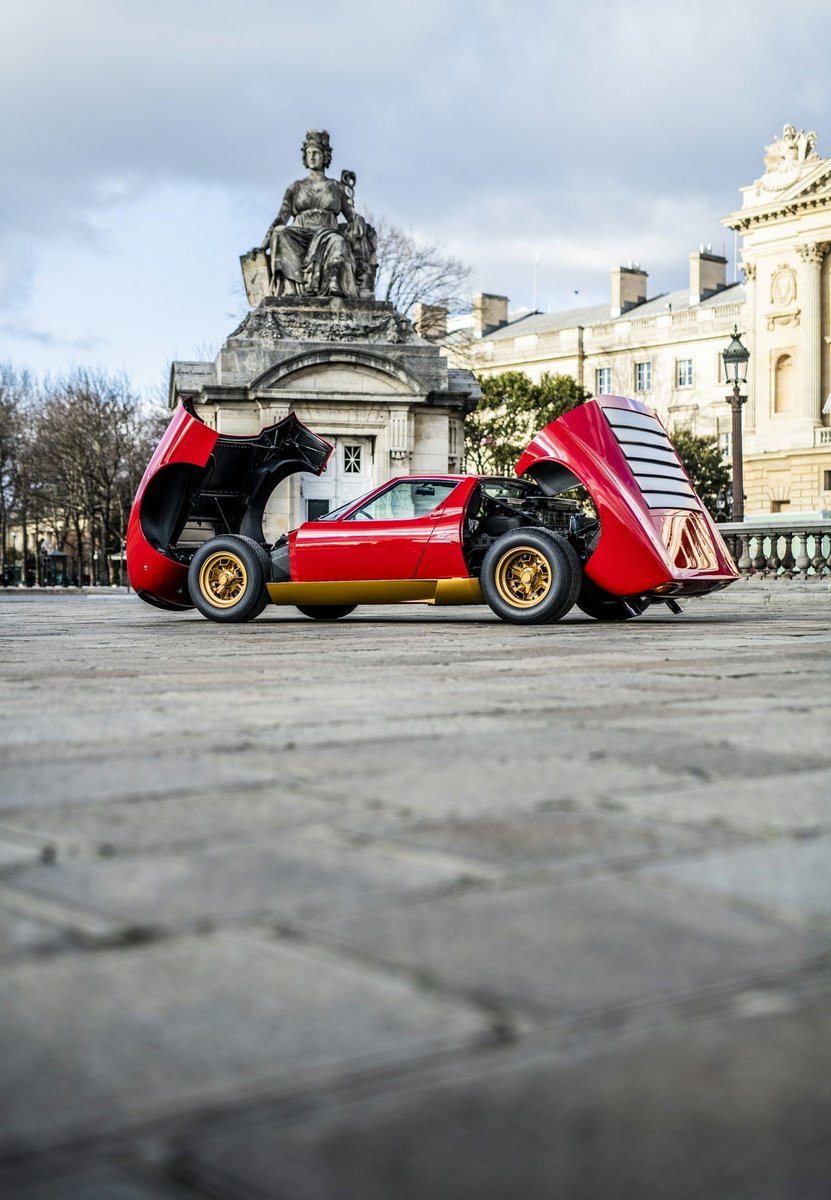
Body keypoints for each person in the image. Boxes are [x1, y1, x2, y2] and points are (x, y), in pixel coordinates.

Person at [259, 130, 372, 298]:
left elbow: (351, 215)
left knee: (338, 241)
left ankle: (333, 284)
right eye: (309, 153)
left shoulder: (336, 187)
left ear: (325, 157)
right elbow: (280, 218)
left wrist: (358, 219)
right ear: (305, 157)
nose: (312, 157)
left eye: (316, 153)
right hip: (300, 235)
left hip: (327, 234)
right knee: (280, 232)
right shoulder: (295, 187)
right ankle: (291, 287)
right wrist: (263, 245)